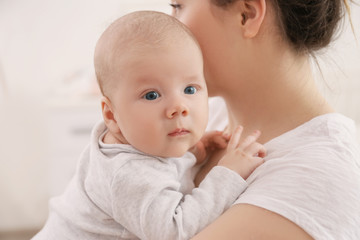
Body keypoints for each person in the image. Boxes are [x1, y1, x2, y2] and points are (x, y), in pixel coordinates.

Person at [32, 11, 266, 240]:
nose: (179, 107)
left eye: (190, 89)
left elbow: (161, 162)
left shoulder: (142, 139)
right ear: (111, 115)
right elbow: (175, 230)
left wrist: (193, 149)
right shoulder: (126, 173)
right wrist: (227, 174)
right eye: (152, 95)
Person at [168, 0, 360, 239]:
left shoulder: (318, 181)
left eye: (178, 6)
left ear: (247, 14)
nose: (168, 25)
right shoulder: (198, 114)